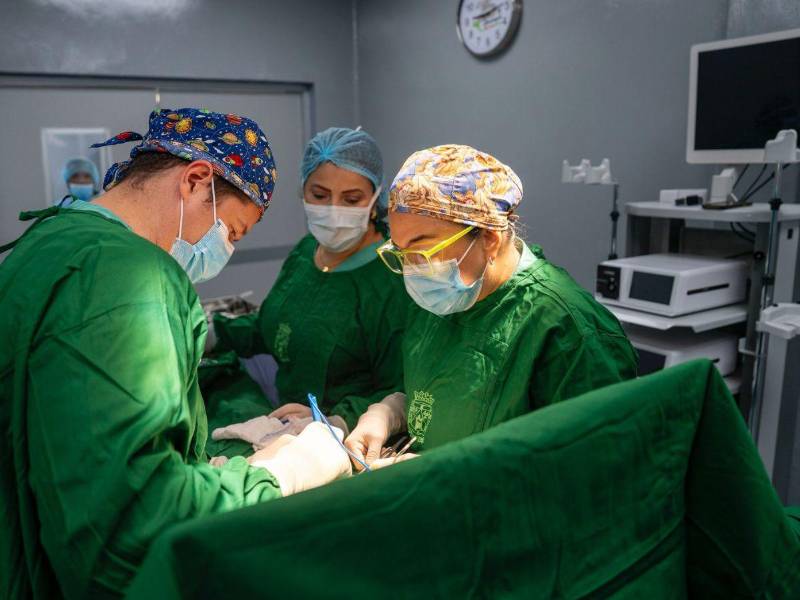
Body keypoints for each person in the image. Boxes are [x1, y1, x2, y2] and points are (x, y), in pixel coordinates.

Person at [0, 108, 351, 598]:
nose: (225, 249)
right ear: (195, 180)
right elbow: (132, 528)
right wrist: (283, 473)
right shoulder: (132, 280)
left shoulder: (51, 239)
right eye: (232, 231)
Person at [345, 144, 638, 465]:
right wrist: (393, 411)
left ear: (490, 239)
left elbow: (599, 469)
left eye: (423, 251)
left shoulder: (571, 332)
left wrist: (451, 477)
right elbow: (445, 391)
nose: (413, 270)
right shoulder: (438, 300)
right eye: (401, 252)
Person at [208, 127, 411, 435]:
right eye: (319, 195)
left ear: (375, 199)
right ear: (303, 191)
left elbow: (400, 389)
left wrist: (337, 419)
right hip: (286, 419)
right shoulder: (306, 251)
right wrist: (213, 333)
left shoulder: (390, 277)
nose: (333, 210)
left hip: (348, 436)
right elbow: (274, 328)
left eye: (351, 199)